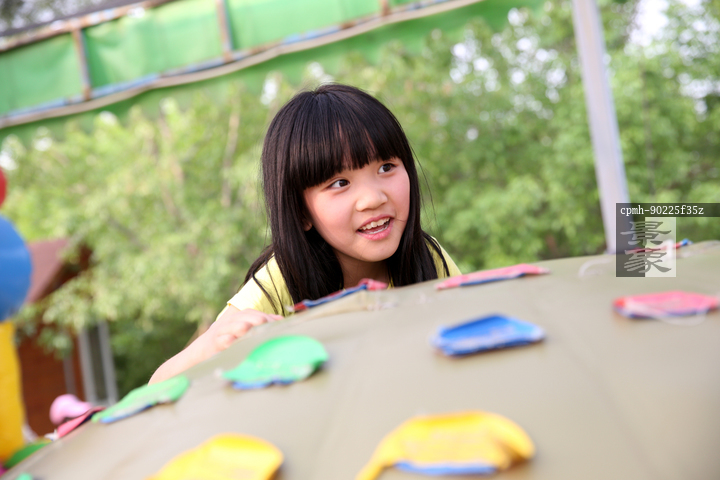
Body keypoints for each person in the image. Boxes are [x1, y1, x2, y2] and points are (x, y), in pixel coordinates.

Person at [149, 84, 461, 384]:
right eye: (340, 183)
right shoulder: (278, 285)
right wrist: (212, 344)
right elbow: (157, 385)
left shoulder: (428, 260)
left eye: (386, 167)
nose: (373, 198)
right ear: (301, 212)